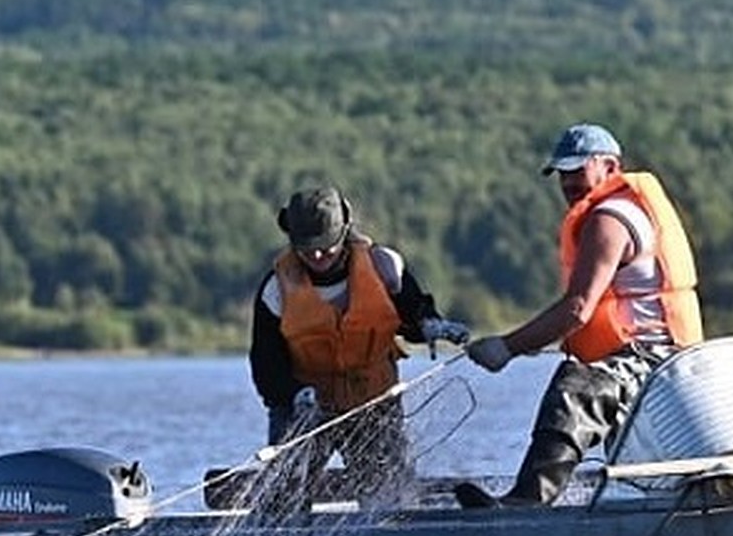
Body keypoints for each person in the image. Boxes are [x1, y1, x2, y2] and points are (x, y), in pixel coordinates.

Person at [458, 123, 703, 508]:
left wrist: (506, 348)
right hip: (651, 360)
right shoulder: (619, 210)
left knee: (576, 388)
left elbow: (577, 309)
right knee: (589, 390)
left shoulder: (610, 218)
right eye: (562, 173)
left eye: (578, 170)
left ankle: (526, 503)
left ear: (609, 167)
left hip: (648, 359)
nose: (569, 182)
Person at [251, 185, 470, 505]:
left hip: (374, 404)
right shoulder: (275, 291)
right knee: (285, 497)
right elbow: (266, 365)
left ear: (345, 232)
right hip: (305, 410)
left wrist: (432, 326)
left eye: (326, 247)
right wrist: (295, 394)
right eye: (306, 248)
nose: (316, 256)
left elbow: (414, 316)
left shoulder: (385, 267)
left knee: (389, 496)